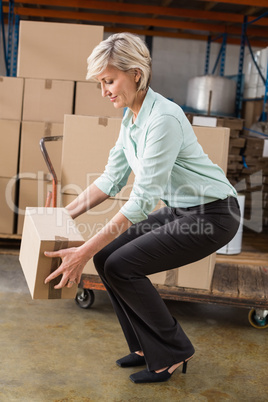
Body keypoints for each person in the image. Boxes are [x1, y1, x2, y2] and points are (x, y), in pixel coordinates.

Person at [45, 33, 240, 384]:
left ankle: (173, 351)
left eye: (108, 80)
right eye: (100, 82)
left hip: (214, 214)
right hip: (183, 209)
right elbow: (110, 180)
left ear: (136, 74)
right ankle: (144, 347)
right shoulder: (131, 119)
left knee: (119, 264)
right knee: (107, 260)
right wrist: (63, 215)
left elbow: (141, 201)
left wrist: (83, 251)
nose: (104, 89)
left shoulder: (163, 119)